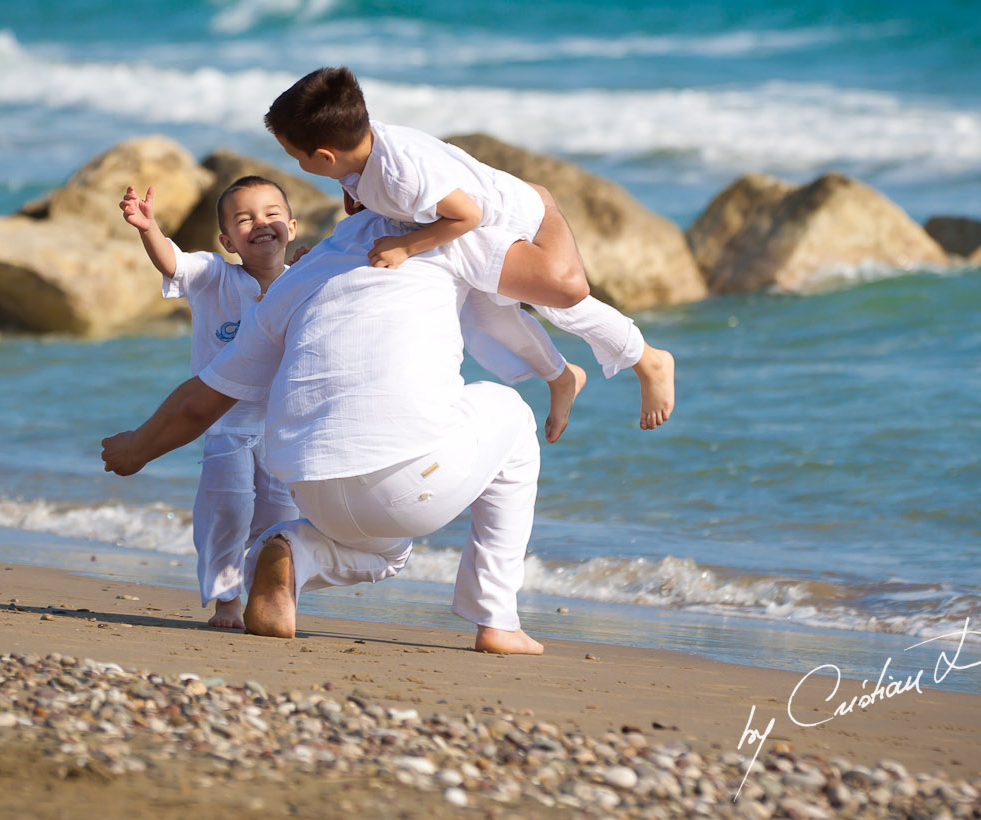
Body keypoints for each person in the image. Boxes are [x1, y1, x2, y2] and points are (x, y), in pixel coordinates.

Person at [101, 191, 592, 653]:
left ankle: (292, 546)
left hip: (311, 489)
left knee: (385, 547)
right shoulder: (450, 242)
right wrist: (544, 204)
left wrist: (136, 449)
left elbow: (203, 398)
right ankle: (498, 619)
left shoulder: (298, 276)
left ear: (347, 201)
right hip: (402, 484)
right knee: (512, 413)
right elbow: (565, 285)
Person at [263, 66, 675, 431]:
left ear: (325, 156)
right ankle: (561, 376)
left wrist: (406, 247)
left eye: (296, 158)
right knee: (485, 319)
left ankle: (649, 359)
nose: (298, 166)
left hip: (505, 220)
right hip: (466, 231)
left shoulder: (402, 175)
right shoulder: (364, 152)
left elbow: (467, 215)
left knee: (559, 305)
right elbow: (369, 201)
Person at [119, 176, 300, 629]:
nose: (261, 223)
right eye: (245, 219)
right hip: (224, 425)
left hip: (282, 427)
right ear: (228, 240)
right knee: (228, 511)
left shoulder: (302, 284)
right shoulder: (214, 275)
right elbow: (171, 261)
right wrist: (147, 229)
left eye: (271, 214)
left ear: (292, 227)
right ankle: (225, 599)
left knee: (281, 520)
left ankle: (269, 591)